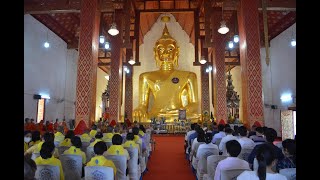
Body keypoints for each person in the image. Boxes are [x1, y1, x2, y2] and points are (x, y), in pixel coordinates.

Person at [132, 24, 200, 123]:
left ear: (177, 51)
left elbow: (194, 103)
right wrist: (139, 109)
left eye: (170, 49)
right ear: (155, 52)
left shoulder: (189, 76)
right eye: (161, 49)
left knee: (196, 117)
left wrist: (181, 111)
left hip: (178, 114)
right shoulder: (145, 77)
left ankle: (175, 118)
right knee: (145, 119)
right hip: (156, 115)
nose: (165, 53)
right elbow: (143, 104)